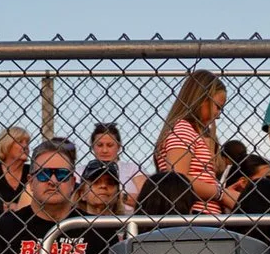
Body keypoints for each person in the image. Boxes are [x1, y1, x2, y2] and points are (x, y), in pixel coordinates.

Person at [155, 71, 235, 216]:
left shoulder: (190, 132)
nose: (218, 115)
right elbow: (177, 180)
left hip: (202, 217)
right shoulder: (182, 129)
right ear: (201, 99)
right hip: (194, 216)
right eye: (217, 107)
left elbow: (197, 177)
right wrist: (222, 194)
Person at [86, 121, 147, 207]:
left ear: (118, 146)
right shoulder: (80, 171)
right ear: (92, 147)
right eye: (99, 145)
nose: (104, 150)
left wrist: (116, 196)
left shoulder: (133, 168)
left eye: (110, 145)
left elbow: (147, 198)